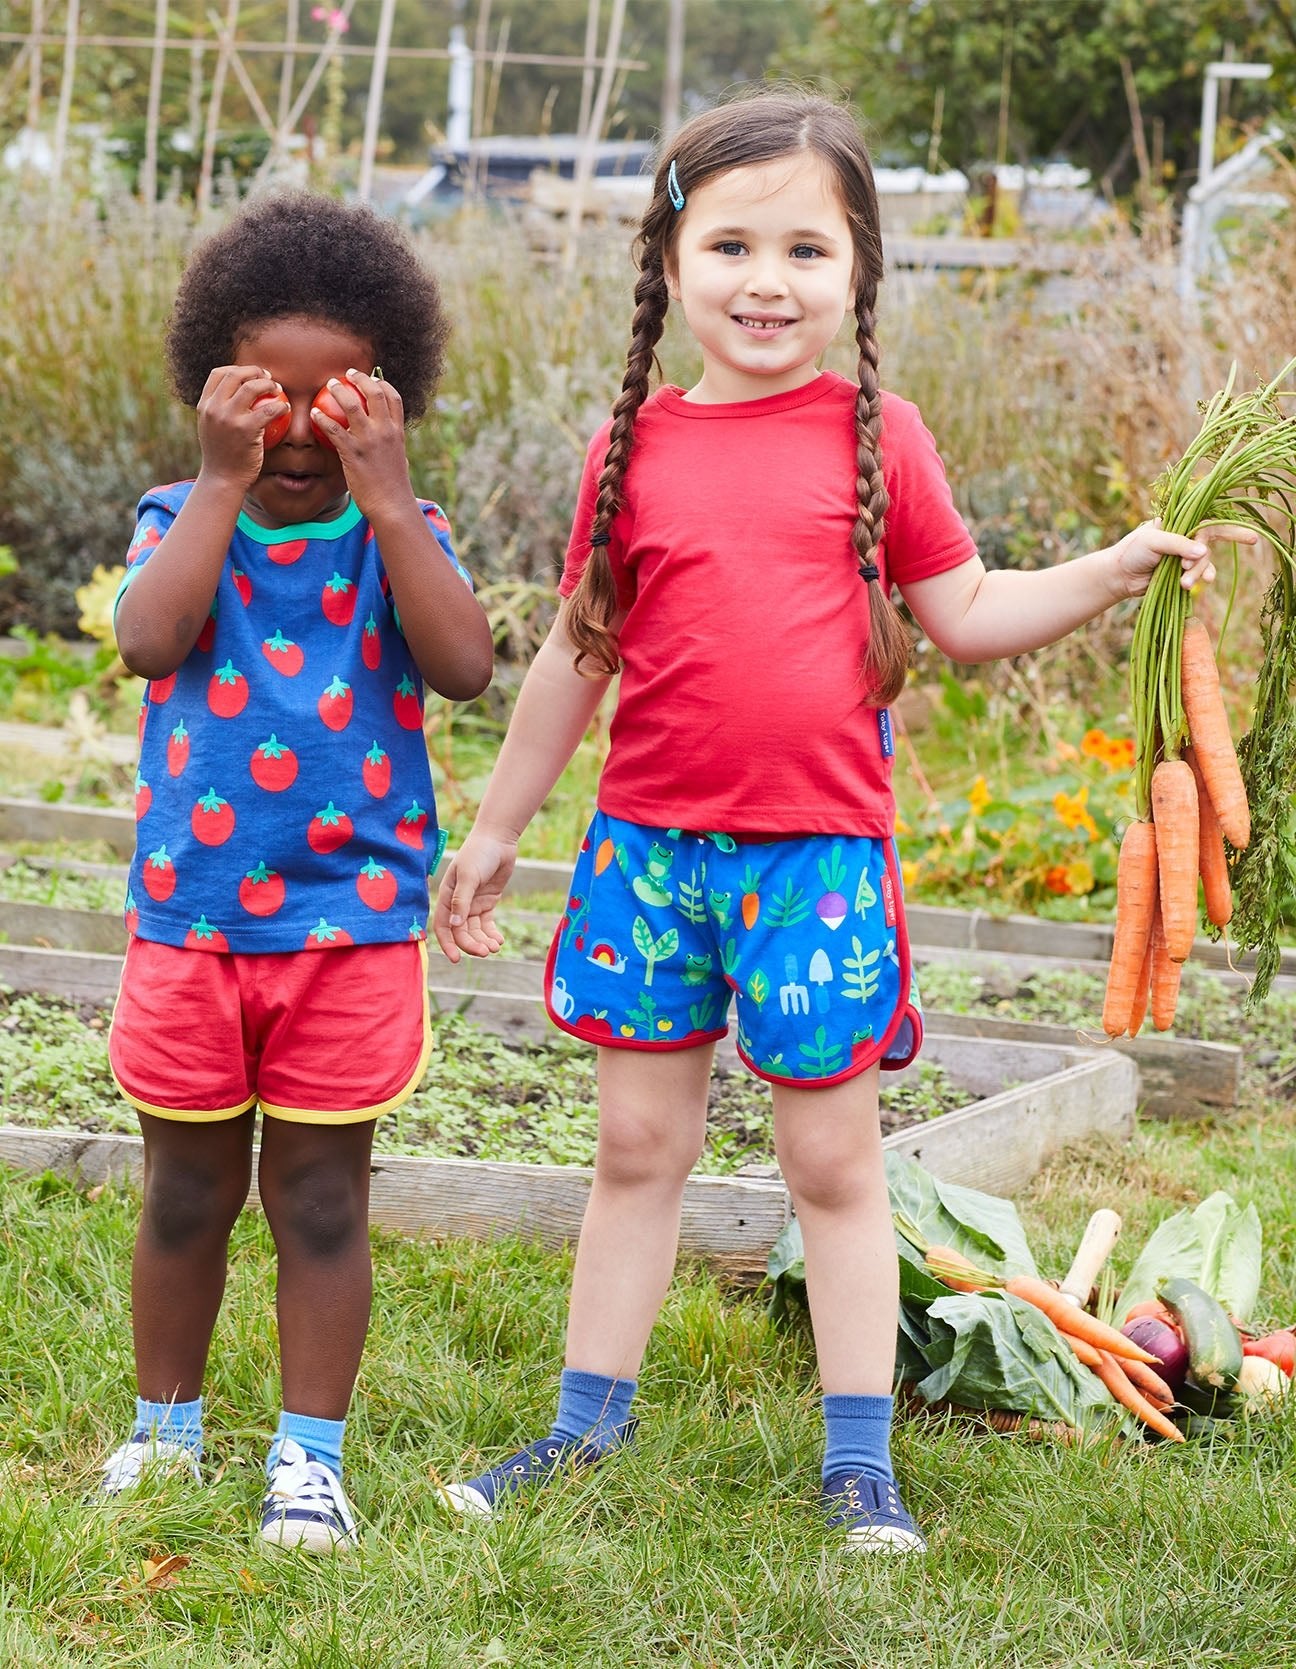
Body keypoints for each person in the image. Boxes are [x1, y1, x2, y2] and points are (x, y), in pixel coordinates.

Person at [432, 87, 1235, 1552]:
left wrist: (1114, 568)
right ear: (668, 265)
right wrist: (494, 830)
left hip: (816, 867)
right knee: (634, 1151)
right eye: (731, 245)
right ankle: (582, 1420)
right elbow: (576, 651)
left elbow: (972, 610)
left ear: (857, 266)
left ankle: (858, 1462)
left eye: (808, 250)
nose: (766, 282)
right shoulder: (631, 450)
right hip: (647, 860)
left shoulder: (882, 438)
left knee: (832, 1166)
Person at [103, 190, 493, 1553]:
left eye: (344, 404)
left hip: (349, 928)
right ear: (215, 395)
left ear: (389, 402)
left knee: (323, 1197)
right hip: (195, 929)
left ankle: (308, 1459)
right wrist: (212, 484)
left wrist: (390, 502)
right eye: (270, 401)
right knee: (186, 1188)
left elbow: (464, 665)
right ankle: (163, 1428)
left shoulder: (402, 532)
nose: (300, 432)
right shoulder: (178, 511)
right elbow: (149, 643)